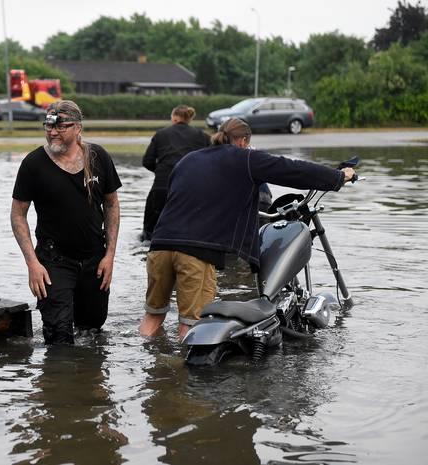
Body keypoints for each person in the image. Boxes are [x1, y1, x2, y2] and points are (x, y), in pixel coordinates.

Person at [139, 118, 356, 339]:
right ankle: (181, 372)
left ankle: (149, 364)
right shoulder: (246, 158)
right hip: (195, 253)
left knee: (153, 317)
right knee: (192, 326)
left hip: (159, 246)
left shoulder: (188, 159)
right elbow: (293, 169)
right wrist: (338, 177)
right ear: (244, 140)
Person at [10, 100, 122, 344]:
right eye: (48, 126)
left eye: (61, 126)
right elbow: (18, 214)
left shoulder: (98, 157)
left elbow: (112, 204)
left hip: (95, 260)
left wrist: (110, 255)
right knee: (58, 337)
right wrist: (32, 263)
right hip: (53, 262)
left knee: (91, 332)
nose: (52, 132)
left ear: (78, 127)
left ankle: (89, 381)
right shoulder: (34, 164)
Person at [141, 105, 210, 241]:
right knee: (188, 235)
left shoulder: (160, 134)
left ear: (174, 117)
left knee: (150, 235)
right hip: (190, 190)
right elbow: (210, 163)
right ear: (189, 119)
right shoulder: (203, 137)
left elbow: (147, 161)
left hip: (161, 187)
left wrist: (162, 171)